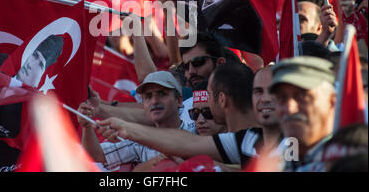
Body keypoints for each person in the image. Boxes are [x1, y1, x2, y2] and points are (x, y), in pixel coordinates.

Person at [95, 61, 279, 170]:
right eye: (259, 91)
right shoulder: (243, 139)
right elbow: (190, 143)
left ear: (221, 99)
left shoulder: (286, 140)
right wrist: (128, 129)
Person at [77, 71, 193, 171]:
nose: (154, 101)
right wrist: (86, 126)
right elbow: (95, 154)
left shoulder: (196, 133)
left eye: (162, 94)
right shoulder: (140, 140)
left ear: (178, 100)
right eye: (148, 96)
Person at [269, 56, 337, 171]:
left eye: (303, 97)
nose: (290, 109)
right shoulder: (279, 162)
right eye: (281, 98)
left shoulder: (349, 162)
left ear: (332, 102)